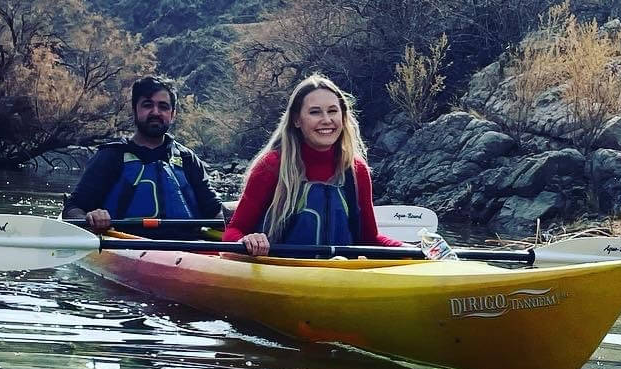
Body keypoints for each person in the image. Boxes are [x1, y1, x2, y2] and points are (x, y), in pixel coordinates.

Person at [224, 74, 400, 256]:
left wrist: (409, 249)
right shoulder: (270, 166)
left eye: (332, 111)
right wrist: (246, 240)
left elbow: (370, 239)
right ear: (296, 120)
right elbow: (234, 230)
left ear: (343, 116)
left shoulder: (356, 169)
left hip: (341, 275)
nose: (326, 120)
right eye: (315, 112)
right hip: (280, 273)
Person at [62, 77, 224, 236]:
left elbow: (215, 211)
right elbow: (72, 210)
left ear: (172, 114)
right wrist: (91, 218)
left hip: (189, 250)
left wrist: (240, 230)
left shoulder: (188, 159)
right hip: (125, 246)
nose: (155, 112)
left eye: (163, 107)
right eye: (147, 105)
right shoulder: (110, 157)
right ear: (135, 110)